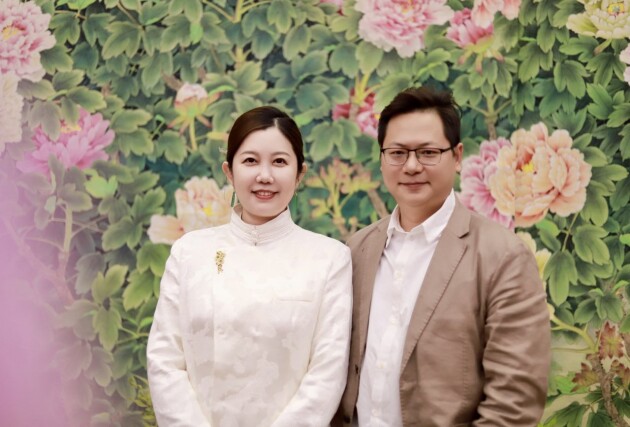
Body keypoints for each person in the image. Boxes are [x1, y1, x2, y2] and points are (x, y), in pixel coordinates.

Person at [334, 87, 551, 427]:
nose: (411, 166)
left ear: (457, 155)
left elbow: (514, 403)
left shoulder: (503, 257)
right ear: (381, 158)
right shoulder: (356, 249)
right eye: (397, 153)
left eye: (428, 152)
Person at [148, 106, 353, 426]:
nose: (265, 176)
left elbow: (327, 372)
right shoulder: (189, 252)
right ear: (229, 172)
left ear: (300, 173)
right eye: (250, 161)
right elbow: (165, 361)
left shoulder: (329, 259)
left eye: (280, 162)